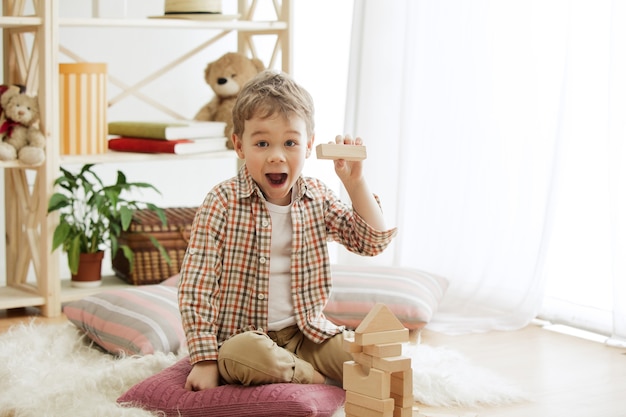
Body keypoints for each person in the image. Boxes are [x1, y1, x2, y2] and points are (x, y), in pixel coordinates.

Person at [178, 69, 397, 391]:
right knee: (243, 356)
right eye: (262, 143)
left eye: (290, 142)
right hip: (242, 339)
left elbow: (371, 243)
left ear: (308, 145)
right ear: (239, 146)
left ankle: (296, 368)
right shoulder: (221, 203)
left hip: (306, 335)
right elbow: (197, 287)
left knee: (367, 359)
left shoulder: (317, 196)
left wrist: (355, 183)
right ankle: (312, 379)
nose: (277, 156)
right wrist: (204, 359)